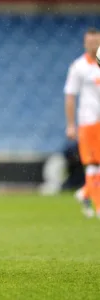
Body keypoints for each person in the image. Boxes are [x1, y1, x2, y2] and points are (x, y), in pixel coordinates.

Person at [64, 28, 100, 218]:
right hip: (88, 121)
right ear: (85, 43)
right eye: (90, 42)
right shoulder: (78, 67)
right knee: (94, 164)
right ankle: (98, 206)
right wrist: (71, 124)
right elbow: (70, 96)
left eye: (96, 42)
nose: (93, 46)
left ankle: (84, 192)